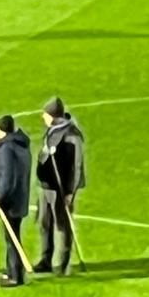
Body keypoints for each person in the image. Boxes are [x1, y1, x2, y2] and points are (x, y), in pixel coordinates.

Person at [33, 97, 85, 277]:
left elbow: (77, 165)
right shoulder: (52, 131)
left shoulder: (71, 134)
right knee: (44, 223)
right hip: (45, 187)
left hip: (61, 189)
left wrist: (71, 191)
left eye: (45, 114)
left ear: (53, 116)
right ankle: (45, 260)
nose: (43, 117)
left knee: (62, 226)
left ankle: (63, 263)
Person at [0, 116, 30, 288]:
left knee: (12, 238)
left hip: (10, 202)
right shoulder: (21, 145)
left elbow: (7, 179)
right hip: (20, 198)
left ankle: (15, 276)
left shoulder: (7, 150)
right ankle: (13, 270)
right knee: (13, 236)